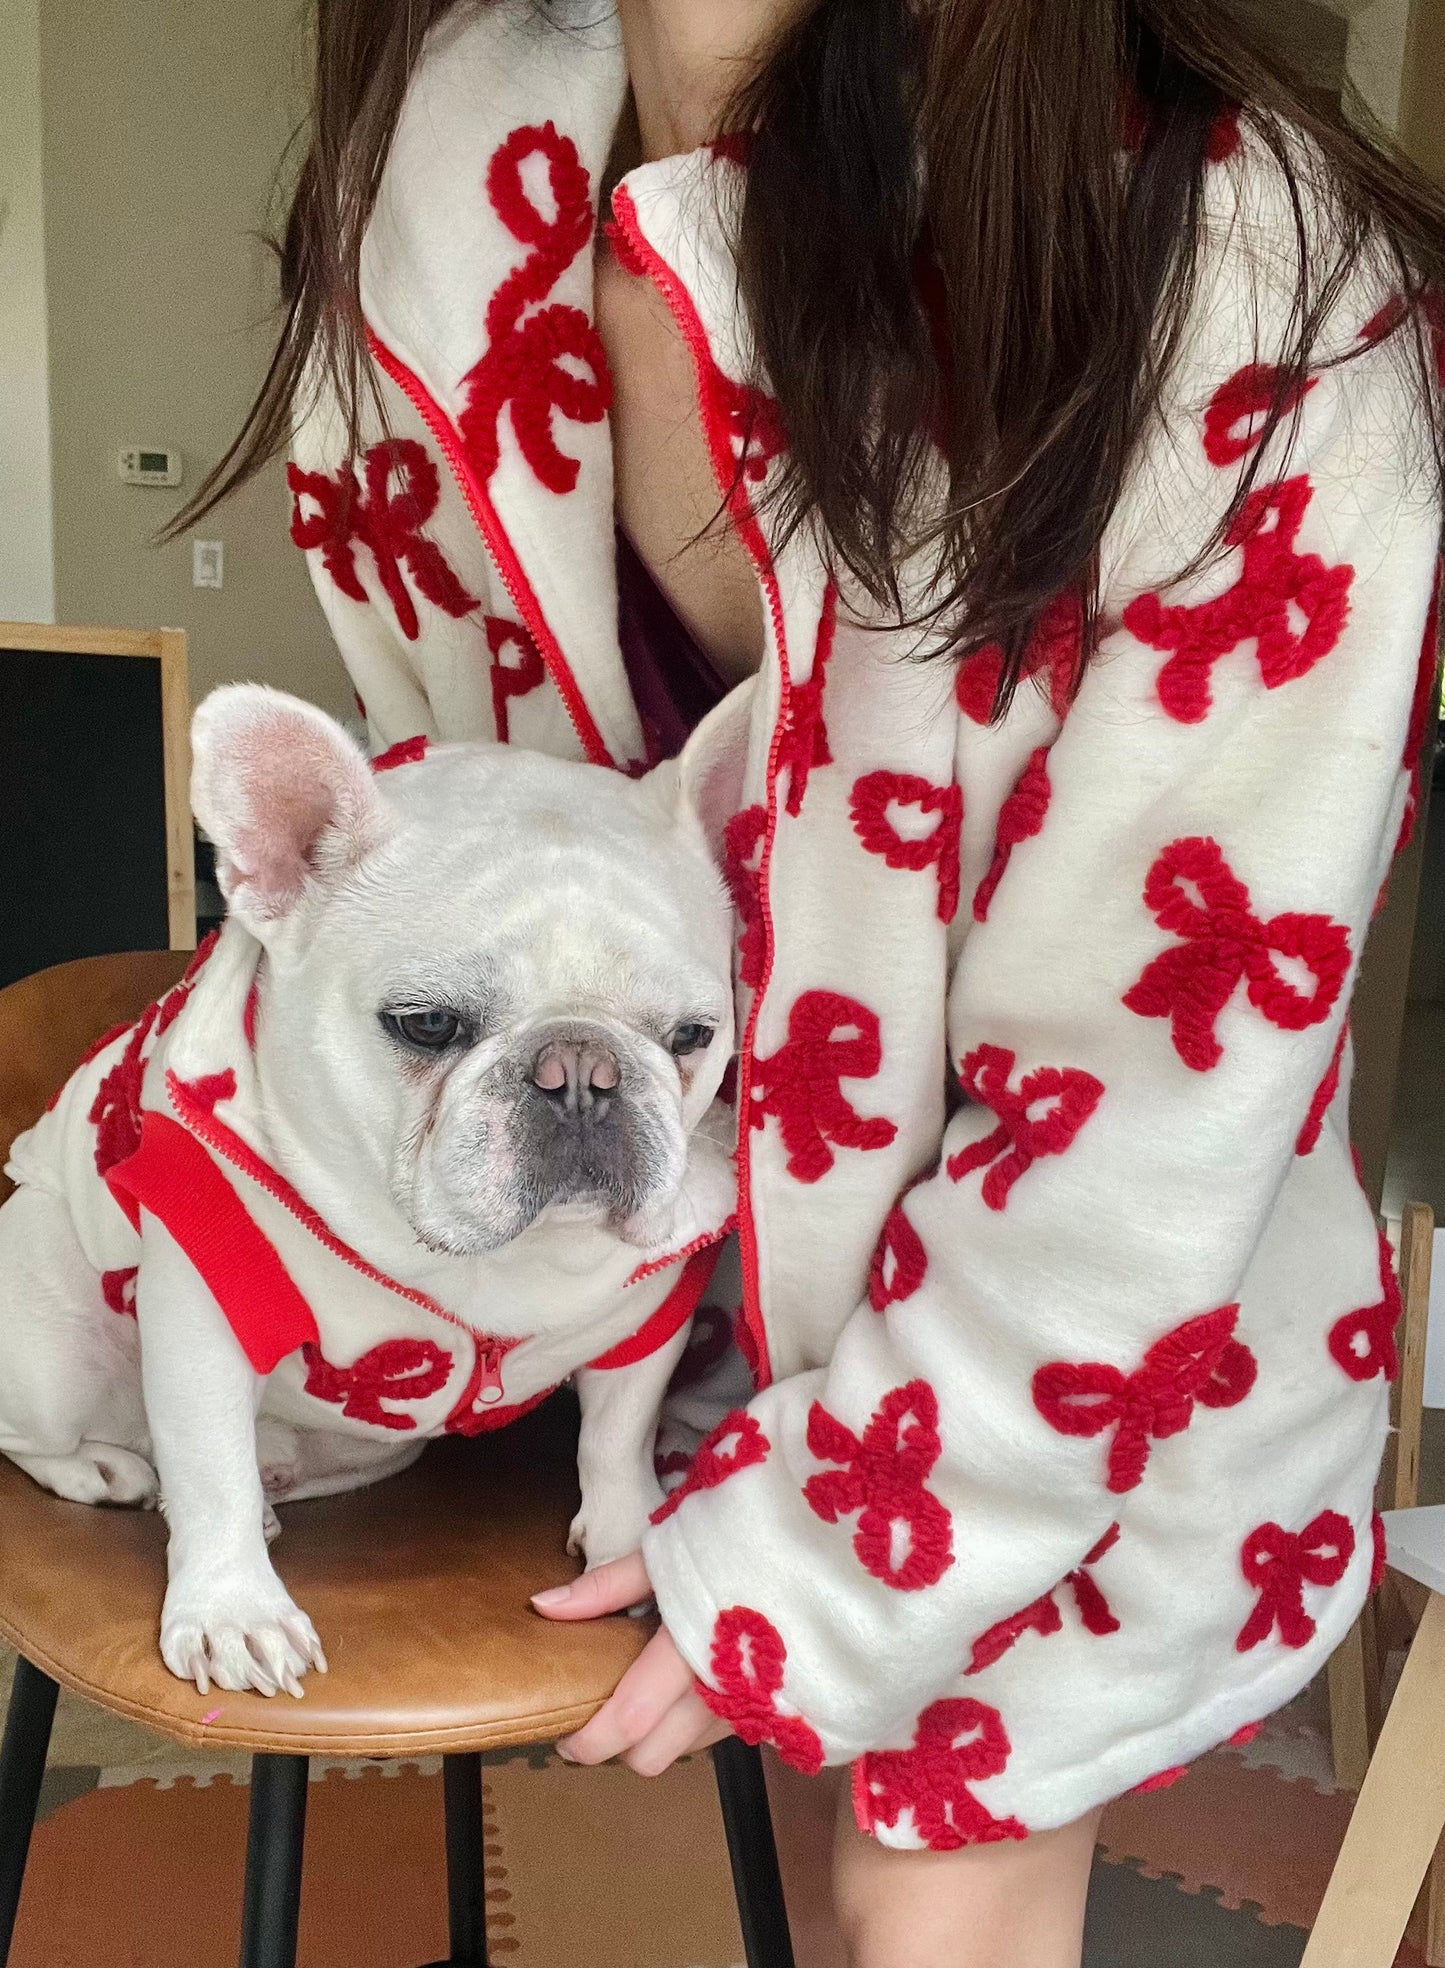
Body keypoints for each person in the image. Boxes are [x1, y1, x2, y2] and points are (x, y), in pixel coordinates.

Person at [177, 0, 1445, 1960]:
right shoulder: (433, 175)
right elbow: (448, 808)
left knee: (928, 1894)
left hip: (1071, 1373)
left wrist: (825, 1566)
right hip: (608, 1292)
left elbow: (1138, 1138)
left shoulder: (1247, 289)